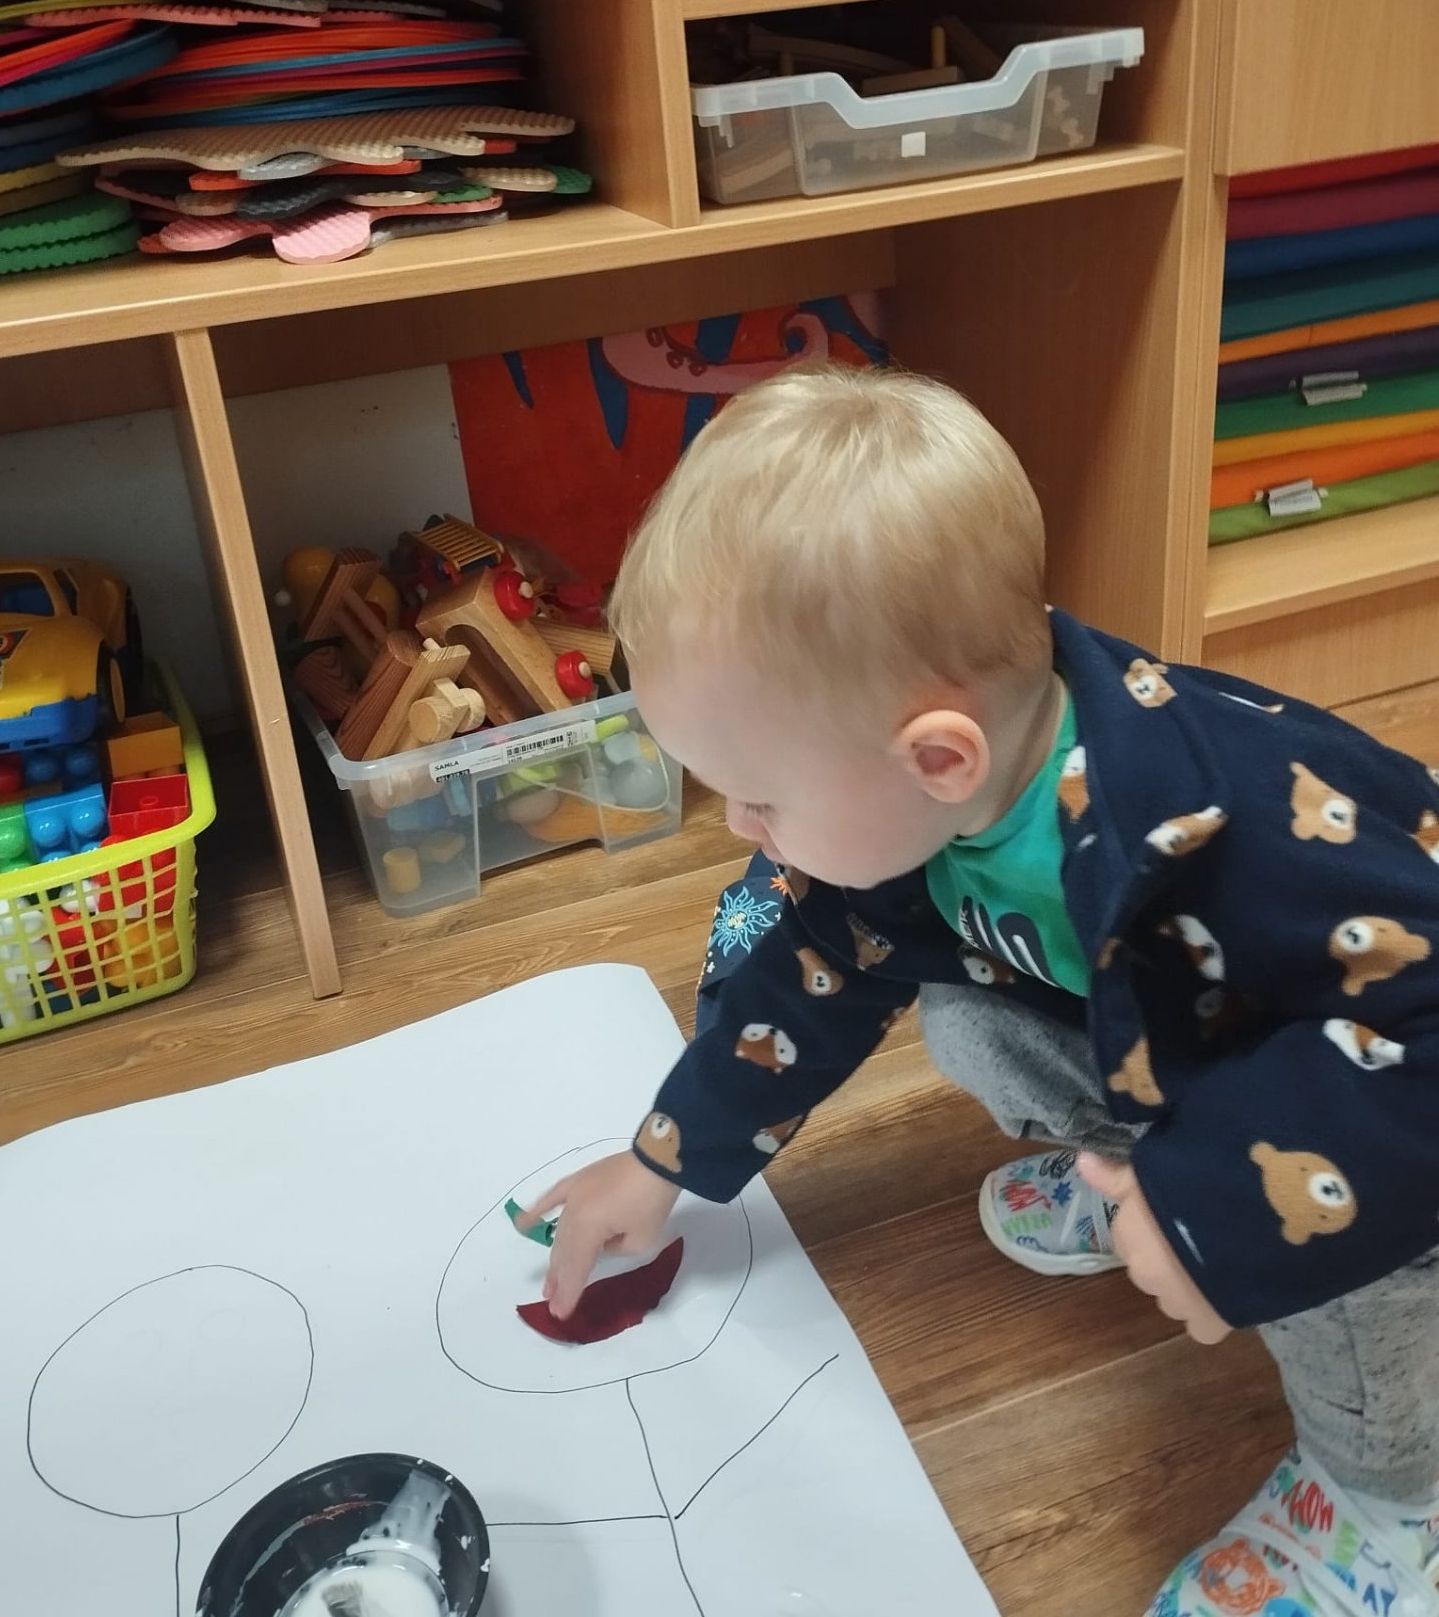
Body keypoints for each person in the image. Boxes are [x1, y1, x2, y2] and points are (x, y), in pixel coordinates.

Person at [523, 364, 1439, 1617]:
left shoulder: (1239, 836)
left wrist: (1214, 1206)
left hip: (1385, 1091)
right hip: (1197, 1036)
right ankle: (1132, 1164)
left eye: (760, 796)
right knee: (967, 1022)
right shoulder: (934, 799)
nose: (738, 826)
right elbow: (809, 976)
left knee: (1352, 1281)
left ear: (938, 757)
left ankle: (1389, 1504)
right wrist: (664, 1159)